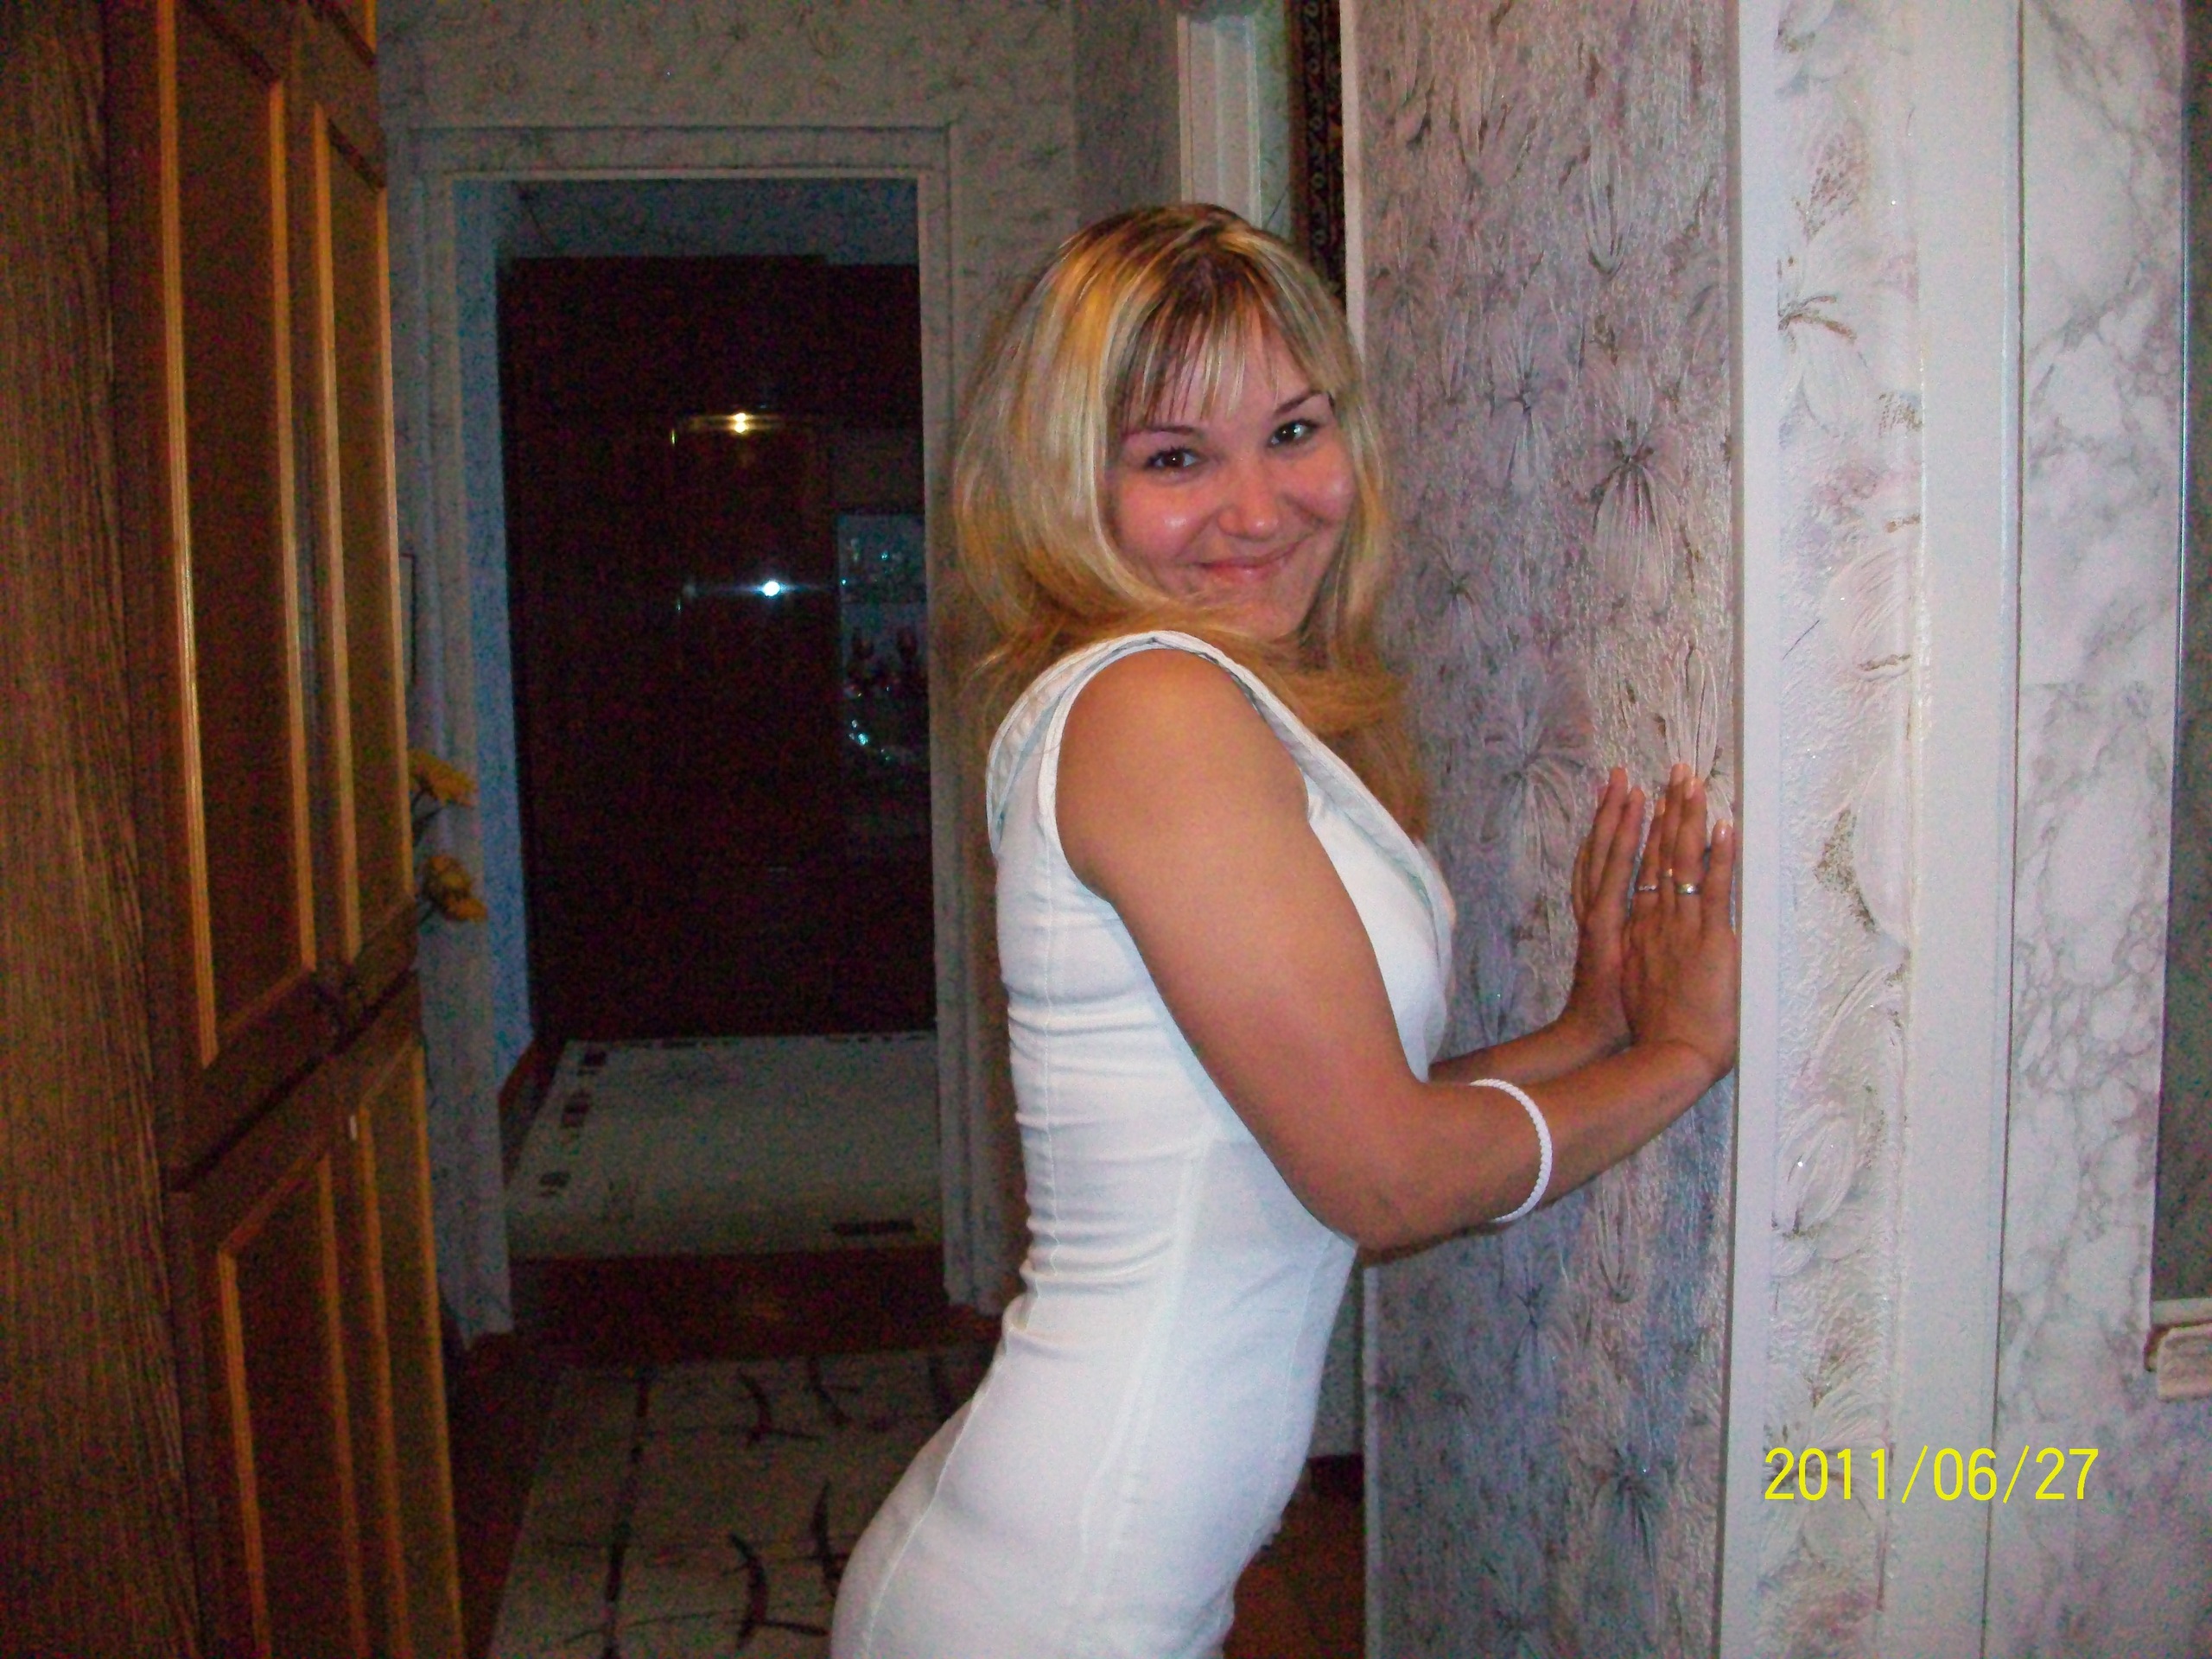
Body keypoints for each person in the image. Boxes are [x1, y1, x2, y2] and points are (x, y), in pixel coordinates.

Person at [829, 205, 1739, 1659]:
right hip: (1062, 1601)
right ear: (1072, 486)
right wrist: (1681, 1058)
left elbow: (1307, 1129)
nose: (1259, 510)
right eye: (1174, 458)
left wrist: (1591, 1030)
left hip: (1076, 1561)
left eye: (1295, 432)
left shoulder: (1203, 703)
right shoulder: (1156, 708)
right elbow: (1383, 1179)